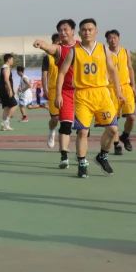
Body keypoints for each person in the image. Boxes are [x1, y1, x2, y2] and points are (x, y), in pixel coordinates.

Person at [54, 19, 122, 178]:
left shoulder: (103, 49)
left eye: (90, 29)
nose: (87, 32)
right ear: (79, 32)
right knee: (83, 131)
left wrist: (118, 91)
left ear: (96, 31)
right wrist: (58, 94)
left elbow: (113, 70)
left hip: (102, 94)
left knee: (113, 130)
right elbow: (62, 72)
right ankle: (82, 163)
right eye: (84, 30)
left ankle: (102, 156)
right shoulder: (74, 51)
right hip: (83, 95)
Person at [34, 22, 77, 167]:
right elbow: (48, 48)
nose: (63, 33)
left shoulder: (80, 47)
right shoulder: (54, 52)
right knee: (57, 119)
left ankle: (81, 155)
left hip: (81, 92)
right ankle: (62, 151)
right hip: (58, 90)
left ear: (73, 31)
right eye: (60, 31)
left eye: (66, 29)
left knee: (83, 129)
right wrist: (41, 44)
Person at [105, 30, 136, 154]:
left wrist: (133, 85)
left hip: (126, 87)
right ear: (107, 40)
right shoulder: (104, 53)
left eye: (115, 37)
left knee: (131, 117)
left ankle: (125, 136)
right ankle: (116, 144)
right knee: (114, 120)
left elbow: (130, 68)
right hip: (111, 88)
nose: (112, 40)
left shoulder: (125, 51)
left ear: (118, 38)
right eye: (110, 38)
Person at [0, 53, 20, 131]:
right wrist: (10, 90)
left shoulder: (3, 67)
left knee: (6, 107)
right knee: (15, 105)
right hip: (6, 90)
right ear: (8, 60)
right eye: (12, 59)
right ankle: (6, 122)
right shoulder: (6, 68)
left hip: (3, 90)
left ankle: (3, 125)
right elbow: (6, 79)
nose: (13, 61)